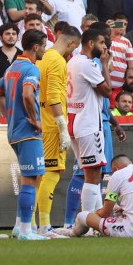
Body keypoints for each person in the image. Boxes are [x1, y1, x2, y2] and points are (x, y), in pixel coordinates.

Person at [0, 28, 49, 241]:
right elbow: (27, 94)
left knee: (28, 176)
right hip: (28, 131)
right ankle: (26, 231)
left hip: (15, 130)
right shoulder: (31, 69)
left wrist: (11, 114)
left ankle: (18, 226)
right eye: (43, 46)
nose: (45, 50)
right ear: (36, 47)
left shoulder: (13, 67)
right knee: (31, 179)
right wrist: (35, 119)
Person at [33, 23, 79, 237]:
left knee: (38, 176)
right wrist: (62, 127)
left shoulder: (43, 58)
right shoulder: (58, 61)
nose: (73, 52)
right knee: (51, 173)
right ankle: (44, 226)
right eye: (74, 47)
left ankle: (30, 225)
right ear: (70, 43)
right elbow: (52, 96)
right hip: (51, 125)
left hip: (41, 122)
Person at [66, 27, 112, 218]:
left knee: (93, 173)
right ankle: (87, 221)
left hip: (74, 119)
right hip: (88, 123)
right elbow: (108, 91)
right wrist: (105, 65)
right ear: (91, 43)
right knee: (93, 176)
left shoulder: (73, 61)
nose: (104, 47)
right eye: (102, 43)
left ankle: (98, 220)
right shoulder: (88, 64)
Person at [71, 154, 133, 238]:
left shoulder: (117, 174)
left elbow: (105, 213)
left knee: (82, 216)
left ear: (115, 169)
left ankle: (72, 233)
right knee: (119, 213)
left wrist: (94, 215)